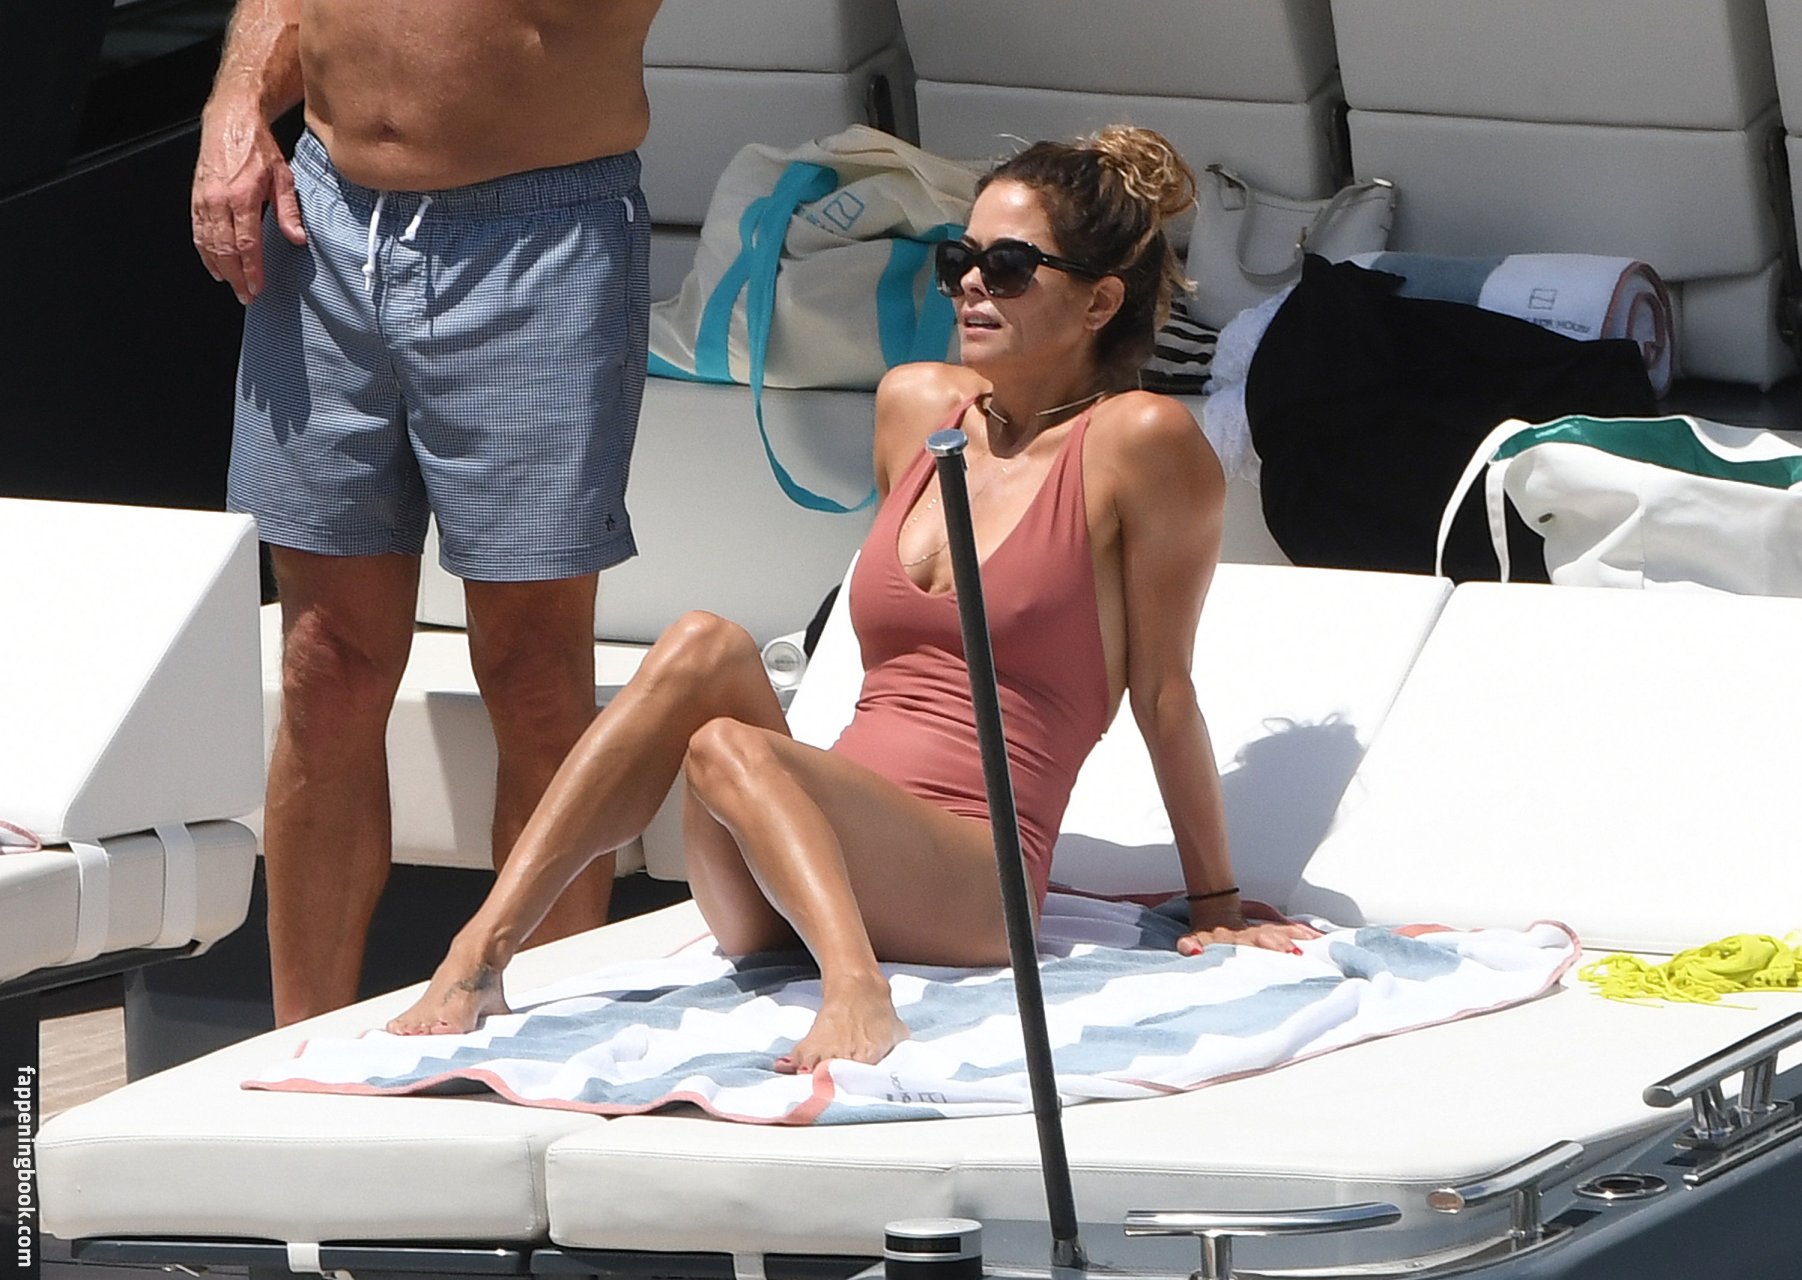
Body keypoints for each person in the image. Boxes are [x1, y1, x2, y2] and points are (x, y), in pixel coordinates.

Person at [387, 125, 1315, 1069]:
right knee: (701, 641)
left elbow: (1163, 691)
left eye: (1007, 266)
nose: (970, 284)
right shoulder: (915, 406)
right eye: (959, 260)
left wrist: (1217, 905)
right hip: (804, 866)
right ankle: (478, 955)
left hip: (971, 885)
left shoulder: (1139, 441)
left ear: (1099, 301)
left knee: (726, 746)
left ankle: (858, 993)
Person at [190, 0, 666, 1025]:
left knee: (533, 674)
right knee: (323, 666)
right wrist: (235, 102)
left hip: (538, 227)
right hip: (322, 216)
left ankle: (542, 1048)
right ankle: (302, 1051)